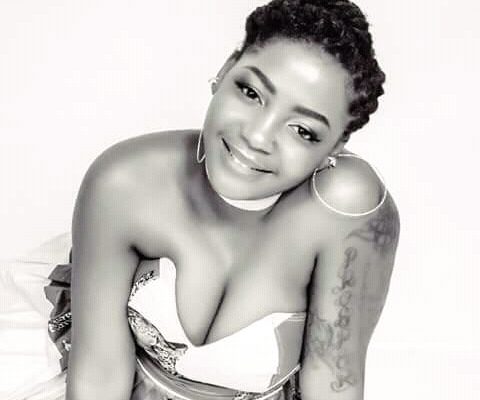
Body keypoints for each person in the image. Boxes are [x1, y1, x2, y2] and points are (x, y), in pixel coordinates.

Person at [0, 0, 400, 399]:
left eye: (303, 130)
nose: (257, 137)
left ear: (337, 146)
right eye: (251, 92)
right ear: (225, 71)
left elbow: (333, 386)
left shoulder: (346, 209)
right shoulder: (125, 183)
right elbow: (99, 374)